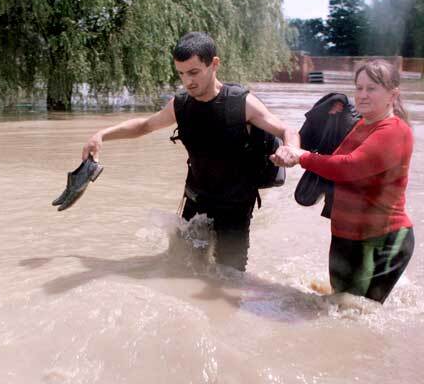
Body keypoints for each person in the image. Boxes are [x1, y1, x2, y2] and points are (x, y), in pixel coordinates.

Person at [82, 32, 300, 271]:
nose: (187, 81)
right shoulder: (181, 104)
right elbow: (145, 125)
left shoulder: (241, 103)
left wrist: (291, 151)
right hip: (196, 201)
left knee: (229, 278)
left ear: (214, 64)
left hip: (235, 208)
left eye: (194, 72)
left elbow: (286, 130)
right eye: (181, 74)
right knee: (182, 268)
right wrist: (102, 134)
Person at [271, 59, 414, 303]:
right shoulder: (361, 124)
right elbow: (331, 163)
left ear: (393, 94)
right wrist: (289, 153)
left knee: (358, 313)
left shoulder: (394, 130)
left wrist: (302, 157)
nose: (363, 95)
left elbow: (349, 167)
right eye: (359, 88)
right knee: (337, 308)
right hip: (345, 236)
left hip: (380, 240)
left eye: (372, 88)